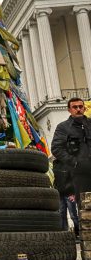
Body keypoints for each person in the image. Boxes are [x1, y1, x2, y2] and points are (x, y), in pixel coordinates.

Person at [51, 97, 91, 235]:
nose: (78, 109)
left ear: (84, 108)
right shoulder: (63, 127)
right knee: (84, 208)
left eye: (81, 106)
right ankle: (87, 236)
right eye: (75, 107)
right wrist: (74, 162)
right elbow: (56, 149)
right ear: (69, 109)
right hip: (79, 174)